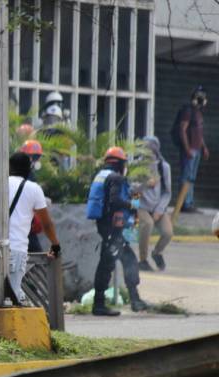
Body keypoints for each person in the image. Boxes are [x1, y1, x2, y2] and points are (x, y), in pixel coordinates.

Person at [87, 147, 148, 315]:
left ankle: (135, 300)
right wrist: (132, 204)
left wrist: (133, 197)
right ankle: (99, 305)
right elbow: (115, 201)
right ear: (120, 163)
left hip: (107, 227)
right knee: (109, 264)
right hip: (113, 229)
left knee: (126, 259)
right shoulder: (116, 178)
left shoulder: (101, 176)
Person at [7, 153, 61, 305]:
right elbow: (46, 223)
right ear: (29, 169)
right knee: (13, 295)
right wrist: (55, 244)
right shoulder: (33, 188)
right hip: (17, 248)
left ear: (9, 167)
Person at [137, 136, 173, 272]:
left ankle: (157, 253)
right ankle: (142, 259)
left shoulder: (164, 167)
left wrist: (159, 209)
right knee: (147, 224)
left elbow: (167, 192)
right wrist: (144, 185)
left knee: (168, 232)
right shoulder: (137, 166)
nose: (149, 154)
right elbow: (131, 189)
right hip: (141, 205)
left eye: (152, 150)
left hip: (157, 206)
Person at [172, 86, 210, 213]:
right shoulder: (187, 111)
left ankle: (189, 202)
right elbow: (182, 130)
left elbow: (199, 132)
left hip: (197, 150)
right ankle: (184, 204)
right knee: (186, 176)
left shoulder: (198, 113)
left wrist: (204, 147)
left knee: (191, 177)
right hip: (190, 150)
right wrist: (187, 148)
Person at [19, 140, 45, 253]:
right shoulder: (23, 173)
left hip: (26, 221)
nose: (34, 161)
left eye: (36, 157)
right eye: (32, 157)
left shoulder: (29, 173)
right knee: (36, 253)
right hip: (22, 221)